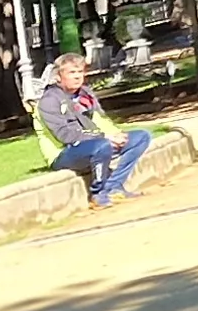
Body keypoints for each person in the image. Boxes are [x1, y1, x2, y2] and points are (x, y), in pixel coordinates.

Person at [35, 53, 155, 207]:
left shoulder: (85, 93)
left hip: (94, 143)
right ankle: (98, 193)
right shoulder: (49, 100)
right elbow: (64, 135)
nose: (78, 77)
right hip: (63, 153)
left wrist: (116, 134)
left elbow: (100, 119)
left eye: (80, 72)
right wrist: (104, 137)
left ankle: (114, 187)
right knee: (103, 145)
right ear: (59, 76)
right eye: (72, 73)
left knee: (141, 137)